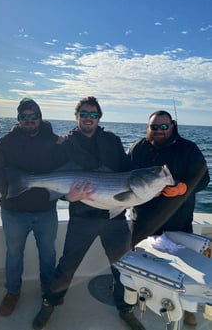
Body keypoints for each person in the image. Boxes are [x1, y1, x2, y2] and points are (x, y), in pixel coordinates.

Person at [32, 96, 145, 330]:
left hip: (113, 218)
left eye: (93, 115)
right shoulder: (66, 144)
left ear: (99, 118)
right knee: (67, 266)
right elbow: (58, 177)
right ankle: (49, 302)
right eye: (83, 114)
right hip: (81, 217)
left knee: (123, 267)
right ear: (76, 117)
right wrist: (67, 197)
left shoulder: (112, 141)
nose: (88, 119)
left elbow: (127, 172)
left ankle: (126, 309)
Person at [127, 110, 210, 327]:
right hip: (143, 220)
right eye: (154, 127)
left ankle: (188, 309)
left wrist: (183, 188)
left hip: (178, 220)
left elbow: (204, 178)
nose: (159, 131)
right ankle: (137, 296)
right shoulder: (138, 148)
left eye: (164, 127)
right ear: (148, 127)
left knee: (183, 267)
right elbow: (123, 176)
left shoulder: (188, 148)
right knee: (141, 262)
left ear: (172, 126)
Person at [0, 97, 68, 317]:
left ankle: (47, 288)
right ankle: (13, 291)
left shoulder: (54, 141)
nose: (30, 120)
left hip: (45, 211)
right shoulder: (4, 143)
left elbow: (65, 168)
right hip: (14, 212)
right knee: (14, 254)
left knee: (48, 254)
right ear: (19, 119)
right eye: (25, 117)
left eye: (34, 116)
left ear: (41, 118)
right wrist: (15, 187)